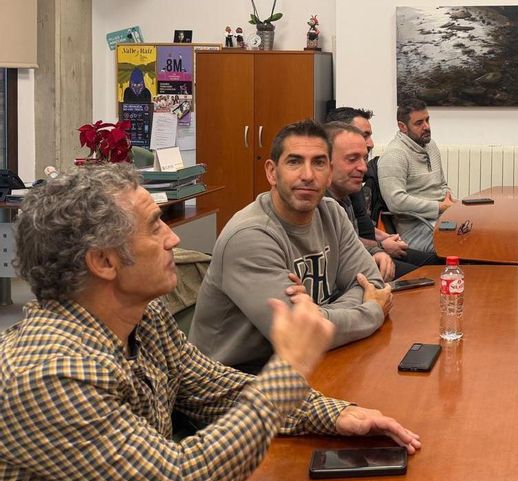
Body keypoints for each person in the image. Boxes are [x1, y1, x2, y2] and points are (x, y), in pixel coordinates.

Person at [0, 164, 420, 481]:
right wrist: (290, 367)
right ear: (104, 262)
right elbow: (178, 480)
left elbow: (216, 390)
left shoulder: (143, 318)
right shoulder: (47, 373)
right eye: (154, 225)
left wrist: (335, 414)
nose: (173, 240)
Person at [189, 120, 392, 374]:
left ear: (329, 173)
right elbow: (300, 333)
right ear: (272, 172)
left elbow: (372, 283)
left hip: (305, 364)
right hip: (234, 383)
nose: (307, 175)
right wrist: (371, 310)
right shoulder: (250, 236)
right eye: (294, 161)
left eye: (318, 162)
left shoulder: (331, 213)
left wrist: (320, 315)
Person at [324, 108, 439, 278]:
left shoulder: (347, 191)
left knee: (439, 267)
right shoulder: (324, 202)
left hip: (371, 253)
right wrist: (381, 247)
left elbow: (355, 236)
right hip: (364, 263)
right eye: (364, 135)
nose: (370, 143)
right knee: (428, 277)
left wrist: (385, 241)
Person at [378, 98, 454, 253]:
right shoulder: (394, 155)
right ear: (402, 127)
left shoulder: (430, 145)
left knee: (482, 230)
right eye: (419, 123)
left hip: (441, 221)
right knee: (467, 243)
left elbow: (442, 184)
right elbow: (396, 202)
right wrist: (440, 207)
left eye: (427, 120)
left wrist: (450, 199)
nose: (426, 127)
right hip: (416, 230)